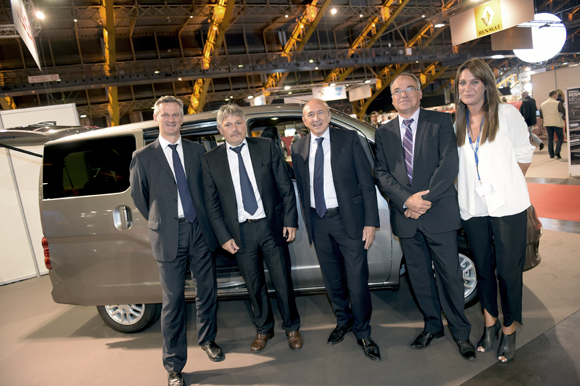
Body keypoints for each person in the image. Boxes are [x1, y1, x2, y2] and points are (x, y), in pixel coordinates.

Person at [373, 73, 475, 361]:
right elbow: (381, 173)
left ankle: (460, 332)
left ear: (419, 94)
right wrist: (407, 200)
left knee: (450, 276)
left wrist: (422, 200)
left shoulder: (441, 122)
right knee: (419, 278)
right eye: (397, 91)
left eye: (409, 89)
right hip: (406, 218)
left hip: (438, 213)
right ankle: (433, 326)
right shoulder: (383, 132)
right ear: (391, 99)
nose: (403, 94)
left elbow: (448, 164)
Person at [129, 96, 223, 386]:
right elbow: (140, 197)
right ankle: (174, 366)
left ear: (182, 119)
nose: (171, 119)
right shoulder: (143, 157)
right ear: (157, 119)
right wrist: (162, 221)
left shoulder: (198, 151)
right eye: (165, 115)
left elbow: (209, 190)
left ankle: (208, 340)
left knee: (207, 292)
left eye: (176, 115)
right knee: (173, 302)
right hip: (168, 235)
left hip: (199, 231)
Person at [202, 103, 302, 353]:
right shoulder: (210, 160)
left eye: (238, 122)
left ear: (244, 124)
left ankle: (292, 327)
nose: (234, 128)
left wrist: (290, 220)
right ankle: (263, 329)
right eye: (228, 125)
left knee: (282, 280)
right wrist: (223, 237)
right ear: (219, 130)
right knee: (253, 284)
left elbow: (285, 188)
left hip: (271, 227)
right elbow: (212, 204)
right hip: (240, 233)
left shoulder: (265, 147)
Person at [454, 59, 534, 363]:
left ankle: (509, 329)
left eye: (474, 81)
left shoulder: (506, 114)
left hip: (507, 207)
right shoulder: (458, 122)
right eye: (462, 83)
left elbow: (525, 153)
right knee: (484, 270)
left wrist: (509, 184)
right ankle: (490, 326)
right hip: (474, 209)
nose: (467, 88)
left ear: (487, 85)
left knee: (508, 272)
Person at [291, 98, 381, 361]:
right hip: (318, 222)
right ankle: (344, 321)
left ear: (329, 115)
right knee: (332, 280)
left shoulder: (350, 139)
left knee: (356, 279)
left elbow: (366, 182)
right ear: (304, 121)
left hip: (349, 220)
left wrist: (370, 222)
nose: (316, 118)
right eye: (310, 115)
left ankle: (363, 331)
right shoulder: (297, 148)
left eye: (320, 113)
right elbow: (302, 186)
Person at [540, 90, 566, 159]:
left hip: (547, 123)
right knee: (560, 137)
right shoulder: (558, 103)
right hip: (556, 122)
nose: (557, 96)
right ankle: (557, 151)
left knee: (550, 138)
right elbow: (564, 112)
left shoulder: (542, 104)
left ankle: (551, 154)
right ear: (554, 95)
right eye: (557, 95)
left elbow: (541, 116)